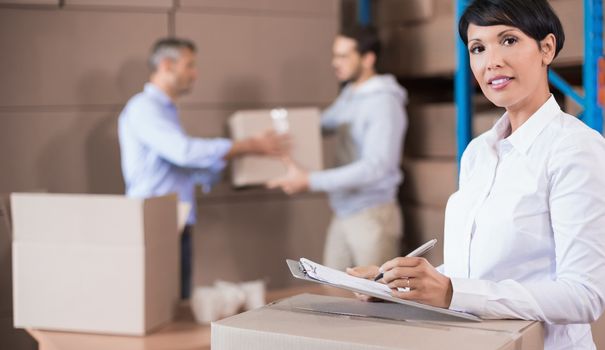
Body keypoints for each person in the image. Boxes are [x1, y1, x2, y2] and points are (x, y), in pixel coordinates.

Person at [348, 0, 605, 348]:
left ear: (547, 48)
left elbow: (584, 295)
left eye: (509, 40)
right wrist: (399, 284)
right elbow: (475, 274)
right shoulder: (478, 153)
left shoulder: (575, 149)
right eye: (478, 48)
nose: (492, 61)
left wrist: (452, 291)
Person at [118, 38, 288, 299]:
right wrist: (245, 146)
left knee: (177, 301)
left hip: (175, 220)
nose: (195, 74)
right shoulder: (144, 108)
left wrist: (227, 167)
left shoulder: (165, 111)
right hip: (155, 221)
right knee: (160, 303)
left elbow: (178, 165)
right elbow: (183, 152)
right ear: (166, 65)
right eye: (190, 65)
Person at [268, 26, 408, 271]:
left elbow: (376, 168)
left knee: (375, 300)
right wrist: (273, 132)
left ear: (368, 59)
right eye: (335, 55)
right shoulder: (350, 95)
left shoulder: (383, 103)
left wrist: (309, 180)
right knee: (332, 292)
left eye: (343, 56)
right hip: (344, 211)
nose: (335, 62)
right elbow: (321, 125)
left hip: (372, 215)